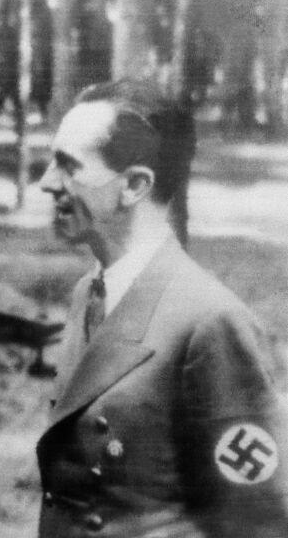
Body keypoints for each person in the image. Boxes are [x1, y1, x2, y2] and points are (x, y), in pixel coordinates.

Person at [35, 79, 288, 537]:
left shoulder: (209, 323)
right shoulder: (89, 293)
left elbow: (257, 520)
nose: (47, 182)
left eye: (69, 166)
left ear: (134, 185)